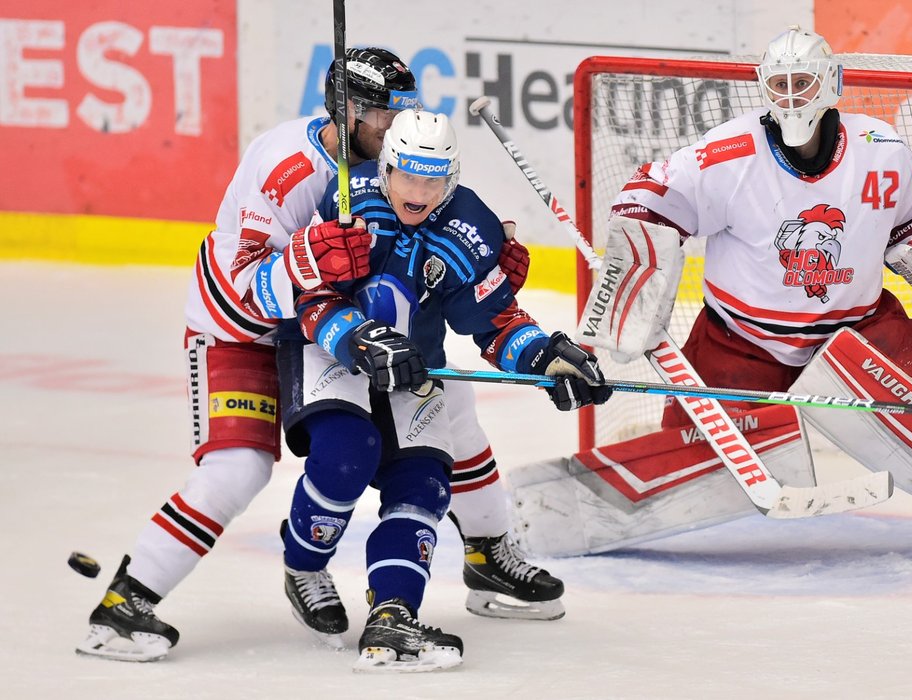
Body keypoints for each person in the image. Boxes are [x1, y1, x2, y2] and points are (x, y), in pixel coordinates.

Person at [76, 48, 559, 664]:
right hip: (244, 332)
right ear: (345, 108)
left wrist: (477, 277)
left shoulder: (380, 171)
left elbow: (416, 261)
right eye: (382, 112)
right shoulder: (290, 168)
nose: (393, 123)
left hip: (333, 333)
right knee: (240, 468)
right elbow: (234, 283)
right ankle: (126, 602)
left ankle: (486, 552)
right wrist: (305, 264)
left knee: (449, 411)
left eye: (402, 110)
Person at [581, 25, 912, 555]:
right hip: (742, 339)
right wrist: (637, 264)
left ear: (830, 84)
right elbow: (644, 198)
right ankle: (619, 505)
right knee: (687, 456)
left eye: (801, 82)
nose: (789, 96)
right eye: (777, 84)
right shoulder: (727, 153)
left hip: (858, 330)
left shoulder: (883, 150)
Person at [276, 108, 612, 671]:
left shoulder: (471, 226)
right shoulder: (347, 201)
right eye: (407, 175)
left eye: (433, 179)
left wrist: (545, 358)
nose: (419, 190)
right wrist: (355, 338)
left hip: (415, 364)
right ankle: (304, 566)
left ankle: (393, 616)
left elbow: (493, 322)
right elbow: (310, 297)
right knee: (346, 456)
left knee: (425, 482)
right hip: (329, 350)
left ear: (452, 178)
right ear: (385, 167)